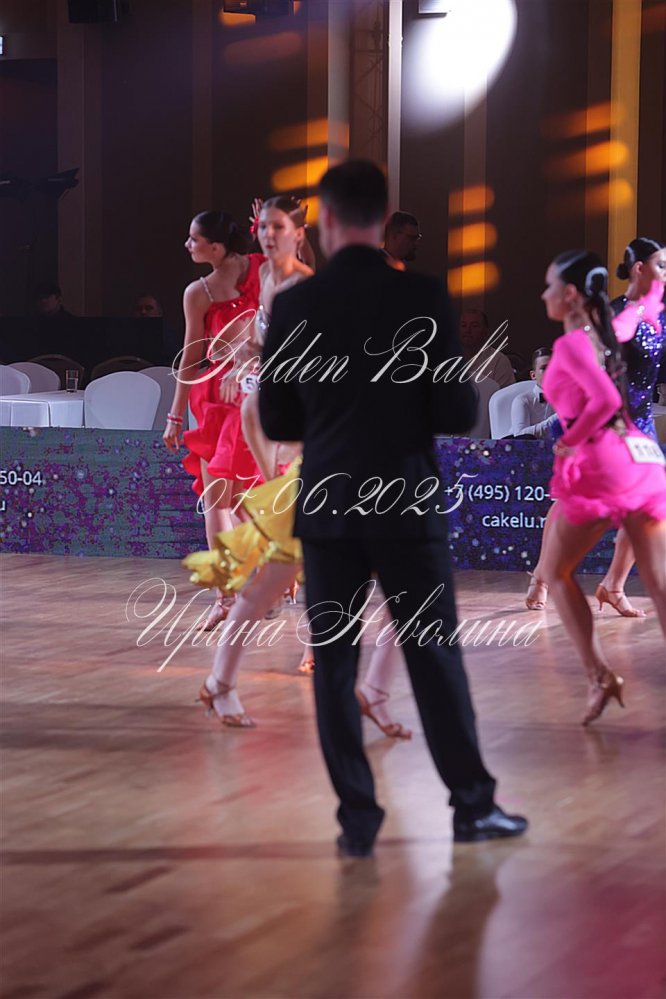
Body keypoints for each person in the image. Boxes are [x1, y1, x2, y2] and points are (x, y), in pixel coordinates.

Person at [258, 159, 528, 856]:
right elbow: (457, 409)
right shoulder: (422, 295)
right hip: (405, 498)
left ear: (324, 221)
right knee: (434, 653)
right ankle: (472, 805)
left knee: (334, 662)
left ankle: (357, 818)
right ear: (382, 220)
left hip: (328, 500)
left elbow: (279, 418)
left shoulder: (295, 306)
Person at [538, 250, 666, 724]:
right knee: (659, 582)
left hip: (604, 462)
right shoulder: (610, 331)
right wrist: (649, 297)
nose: (544, 295)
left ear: (570, 295)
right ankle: (600, 677)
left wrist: (569, 441)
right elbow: (634, 318)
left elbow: (606, 399)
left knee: (555, 572)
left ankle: (599, 675)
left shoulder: (571, 343)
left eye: (550, 286)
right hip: (642, 460)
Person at [526, 237, 666, 614]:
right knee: (570, 502)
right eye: (662, 265)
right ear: (639, 269)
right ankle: (542, 576)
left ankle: (614, 585)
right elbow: (597, 354)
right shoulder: (615, 312)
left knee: (649, 507)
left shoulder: (660, 314)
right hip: (609, 421)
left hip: (641, 422)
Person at [163, 211, 263, 630]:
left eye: (194, 239)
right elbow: (191, 356)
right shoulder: (205, 289)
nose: (188, 245)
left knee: (221, 499)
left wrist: (174, 415)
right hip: (224, 398)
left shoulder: (256, 272)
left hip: (242, 396)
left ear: (216, 247)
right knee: (233, 499)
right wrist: (176, 413)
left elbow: (191, 357)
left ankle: (229, 595)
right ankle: (270, 572)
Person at [459, 309, 515, 389]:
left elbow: (506, 394)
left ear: (485, 332)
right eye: (463, 325)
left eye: (474, 326)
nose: (467, 330)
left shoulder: (499, 361)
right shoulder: (447, 357)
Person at [509, 348, 558, 439]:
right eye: (544, 368)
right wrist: (556, 420)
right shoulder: (522, 401)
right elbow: (520, 436)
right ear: (533, 375)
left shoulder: (567, 400)